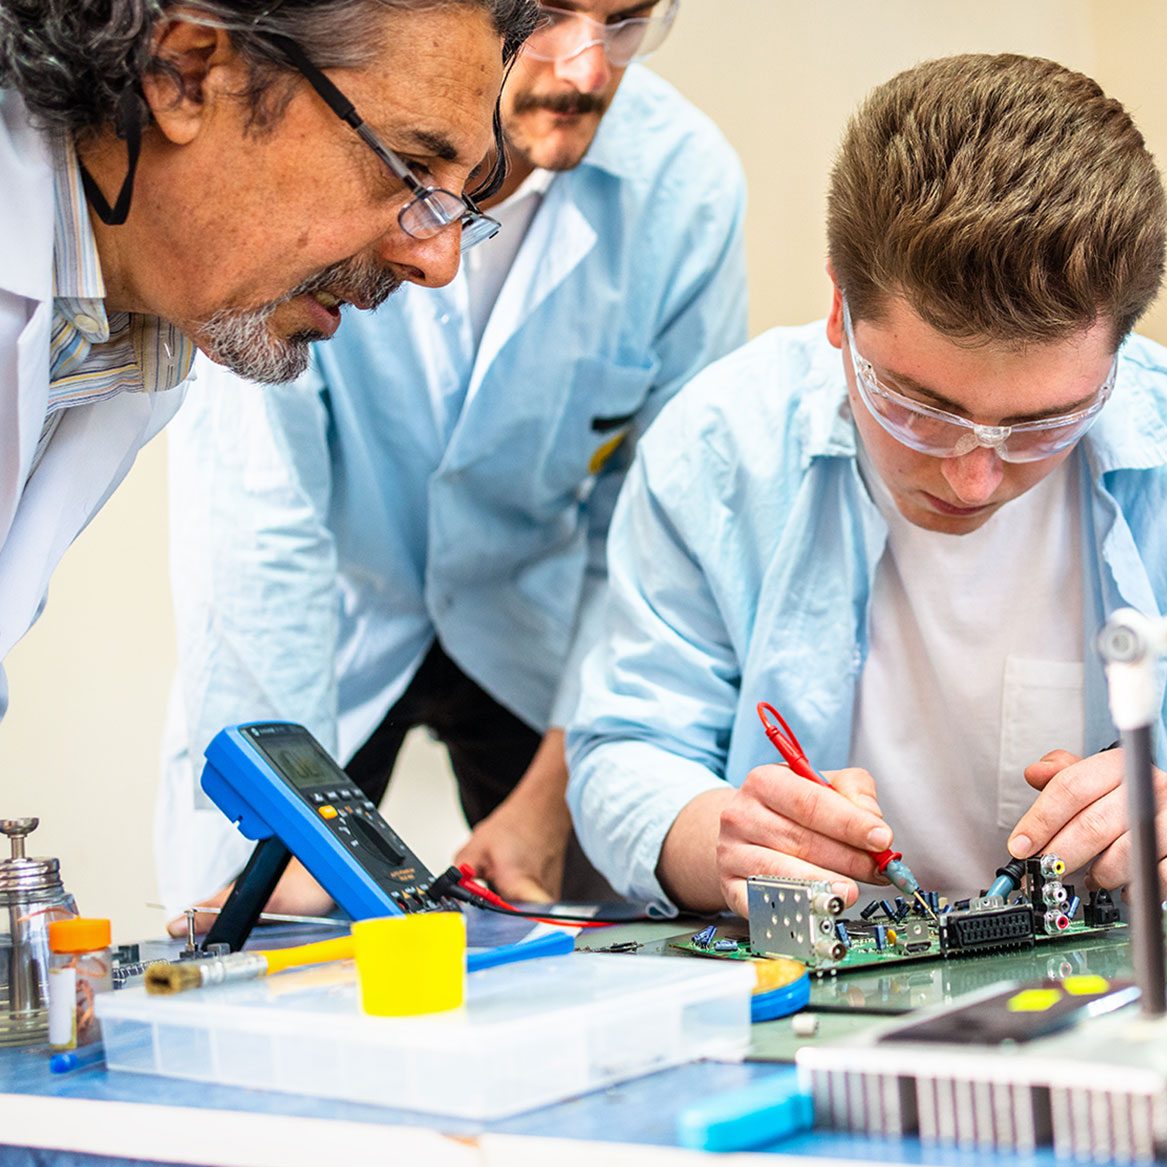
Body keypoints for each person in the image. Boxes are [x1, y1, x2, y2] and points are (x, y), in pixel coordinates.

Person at [565, 53, 1167, 917]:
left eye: (1041, 424)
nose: (974, 474)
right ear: (840, 310)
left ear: (1118, 354)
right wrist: (719, 838)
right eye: (921, 408)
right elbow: (626, 748)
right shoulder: (720, 449)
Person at [156, 0, 748, 919]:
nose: (589, 70)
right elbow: (264, 520)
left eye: (627, 22)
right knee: (263, 924)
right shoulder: (312, 160)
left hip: (540, 627)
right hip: (333, 615)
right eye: (549, 16)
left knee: (600, 938)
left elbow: (650, 529)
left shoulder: (686, 185)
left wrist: (551, 806)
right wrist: (290, 833)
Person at [0, 0, 539, 720]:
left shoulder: (130, 334)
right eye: (408, 167)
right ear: (184, 71)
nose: (438, 261)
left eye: (456, 202)